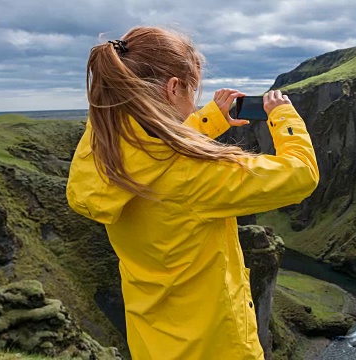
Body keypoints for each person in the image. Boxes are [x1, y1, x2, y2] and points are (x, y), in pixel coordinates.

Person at [66, 26, 319, 360]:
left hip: (152, 342)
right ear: (173, 88)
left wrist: (209, 120)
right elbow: (301, 175)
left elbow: (153, 149)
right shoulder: (191, 174)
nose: (193, 105)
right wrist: (284, 117)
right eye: (191, 93)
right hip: (214, 346)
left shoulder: (101, 147)